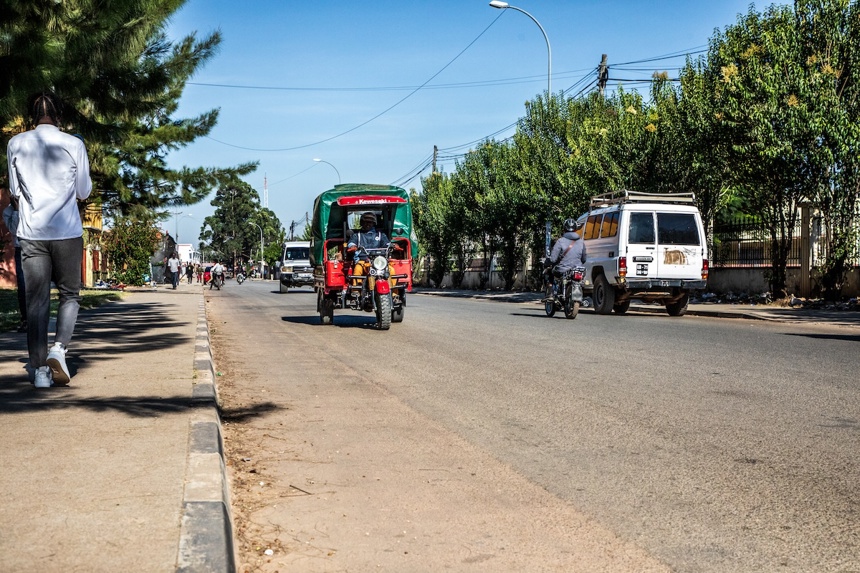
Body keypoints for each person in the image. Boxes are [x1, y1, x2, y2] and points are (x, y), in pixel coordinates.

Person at [7, 91, 92, 388]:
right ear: (60, 115)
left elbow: (15, 192)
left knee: (37, 301)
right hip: (67, 231)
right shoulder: (74, 144)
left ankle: (40, 371)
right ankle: (60, 349)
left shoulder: (15, 143)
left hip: (32, 234)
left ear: (32, 116)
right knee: (70, 295)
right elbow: (83, 191)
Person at [2, 194, 27, 332]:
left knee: (38, 285)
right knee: (23, 286)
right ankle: (26, 320)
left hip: (37, 247)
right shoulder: (8, 211)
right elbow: (15, 230)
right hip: (20, 248)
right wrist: (17, 210)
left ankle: (40, 319)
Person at [346, 212, 392, 281]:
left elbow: (387, 244)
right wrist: (353, 246)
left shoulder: (380, 234)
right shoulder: (357, 235)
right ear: (362, 223)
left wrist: (392, 245)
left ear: (374, 223)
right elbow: (351, 243)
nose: (368, 224)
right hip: (363, 261)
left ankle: (394, 291)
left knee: (392, 270)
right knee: (357, 270)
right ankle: (356, 290)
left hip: (379, 261)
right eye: (365, 222)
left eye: (370, 222)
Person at [547, 218, 587, 290]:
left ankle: (550, 294)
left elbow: (553, 259)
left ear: (564, 229)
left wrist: (548, 261)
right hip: (577, 270)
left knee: (550, 271)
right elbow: (584, 259)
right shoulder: (581, 242)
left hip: (562, 270)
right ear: (575, 229)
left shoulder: (560, 241)